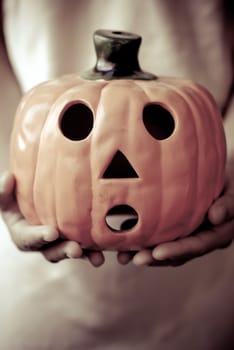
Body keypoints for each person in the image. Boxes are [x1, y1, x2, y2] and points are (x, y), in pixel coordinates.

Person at [0, 0, 234, 349]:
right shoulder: (46, 101)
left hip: (202, 294)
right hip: (38, 300)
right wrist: (12, 168)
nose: (116, 162)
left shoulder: (187, 99)